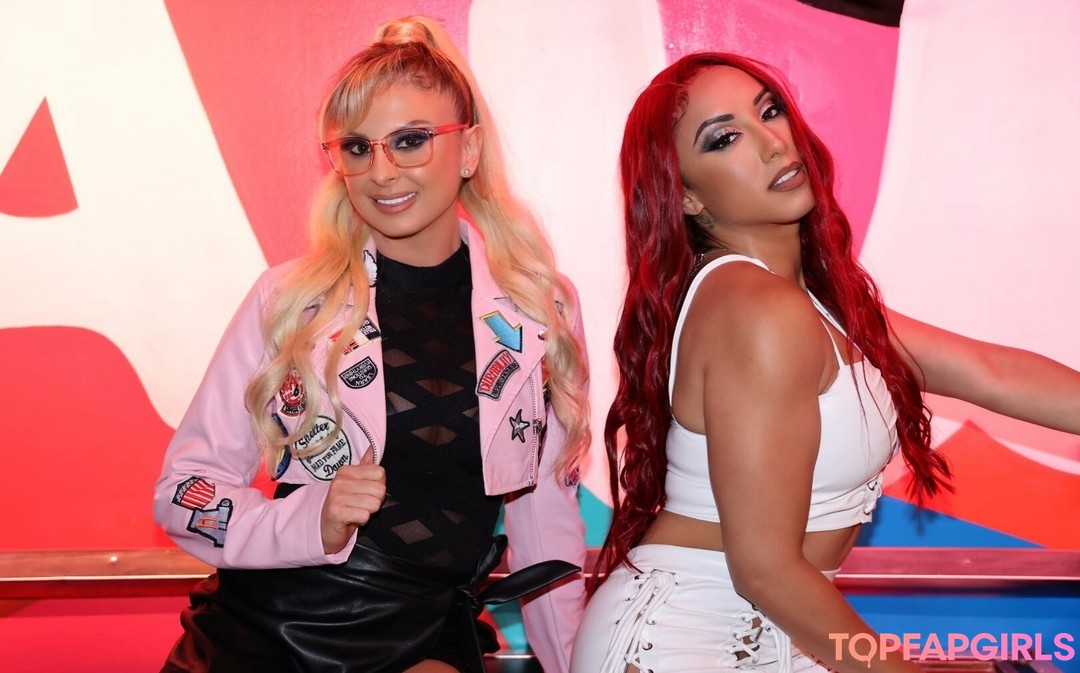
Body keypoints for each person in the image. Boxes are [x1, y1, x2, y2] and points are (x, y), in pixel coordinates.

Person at [571, 52, 1080, 673]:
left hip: (778, 631)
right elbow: (765, 571)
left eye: (769, 111)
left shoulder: (815, 305)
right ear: (687, 197)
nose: (772, 143)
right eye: (725, 138)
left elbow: (991, 373)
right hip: (686, 641)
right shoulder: (756, 308)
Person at [153, 17, 590, 673]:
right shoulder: (290, 300)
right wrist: (311, 520)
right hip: (271, 633)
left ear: (469, 150)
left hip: (427, 631)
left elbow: (546, 528)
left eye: (411, 141)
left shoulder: (539, 306)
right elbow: (184, 492)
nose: (382, 171)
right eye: (357, 148)